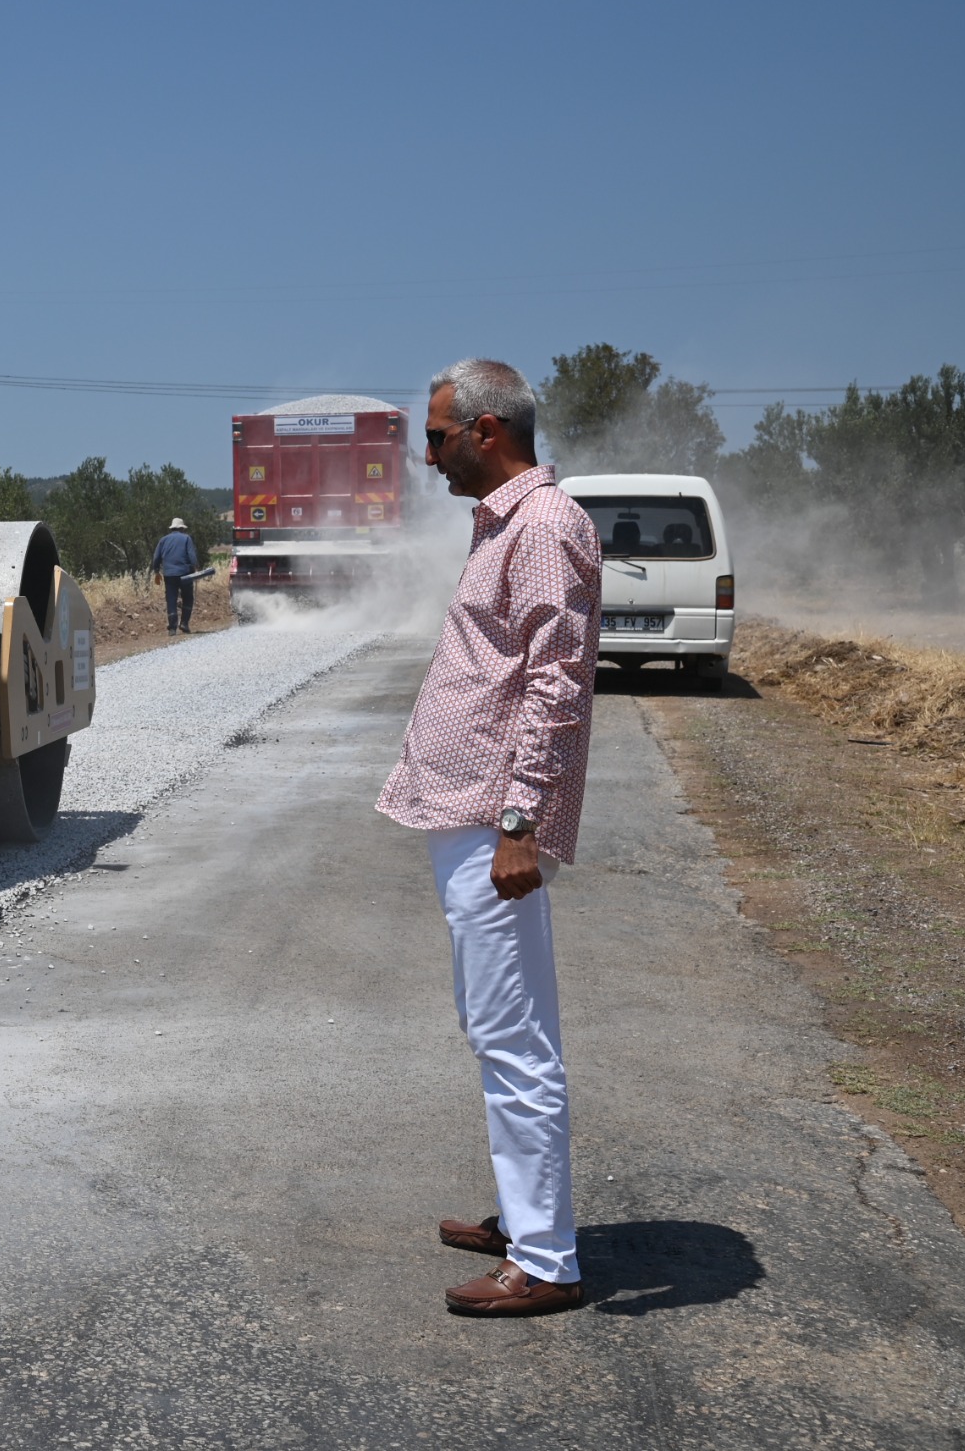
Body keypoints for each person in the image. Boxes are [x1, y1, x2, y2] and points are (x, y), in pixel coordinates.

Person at [375, 357, 602, 1317]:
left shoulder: (545, 527)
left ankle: (546, 1262)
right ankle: (523, 1217)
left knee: (514, 1039)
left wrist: (519, 819)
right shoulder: (506, 523)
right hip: (467, 812)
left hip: (490, 820)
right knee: (494, 1024)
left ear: (486, 431)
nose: (425, 457)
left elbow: (557, 680)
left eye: (434, 437)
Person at [153, 516, 201, 634]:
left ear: (172, 528)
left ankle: (172, 628)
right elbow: (192, 555)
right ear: (181, 528)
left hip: (169, 574)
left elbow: (156, 557)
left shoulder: (163, 540)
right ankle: (184, 623)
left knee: (171, 599)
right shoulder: (186, 538)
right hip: (185, 573)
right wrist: (196, 567)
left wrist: (156, 570)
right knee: (188, 597)